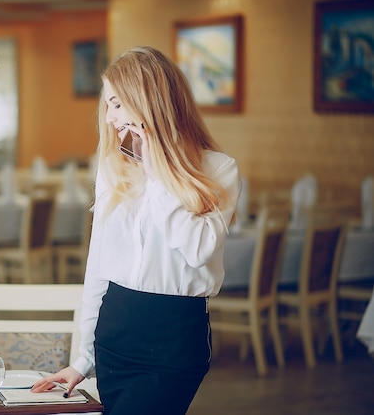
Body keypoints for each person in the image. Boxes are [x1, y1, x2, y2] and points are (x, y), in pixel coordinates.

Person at [31, 46, 240, 414]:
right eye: (107, 105)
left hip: (174, 339)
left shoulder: (219, 169)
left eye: (116, 104)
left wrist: (157, 167)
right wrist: (83, 359)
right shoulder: (113, 168)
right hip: (114, 333)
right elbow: (98, 265)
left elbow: (197, 250)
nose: (109, 118)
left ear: (147, 101)